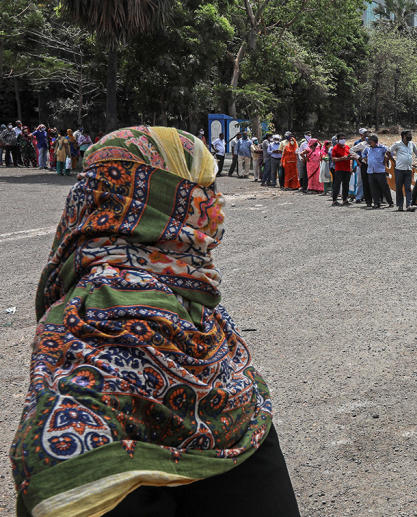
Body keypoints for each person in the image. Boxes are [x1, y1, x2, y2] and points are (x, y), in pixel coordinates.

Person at [9, 126, 299, 517]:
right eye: (205, 188)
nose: (218, 203)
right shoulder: (109, 307)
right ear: (163, 195)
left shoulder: (179, 281)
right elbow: (70, 466)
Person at [362, 133, 391, 209]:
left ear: (375, 141)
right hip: (370, 171)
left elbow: (390, 152)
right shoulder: (368, 148)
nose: (369, 143)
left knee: (384, 187)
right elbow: (363, 154)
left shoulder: (382, 148)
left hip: (380, 171)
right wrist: (365, 159)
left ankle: (390, 202)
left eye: (370, 141)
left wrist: (386, 159)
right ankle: (376, 203)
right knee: (373, 188)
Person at [391, 130, 417, 212]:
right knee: (399, 188)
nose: (410, 136)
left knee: (408, 188)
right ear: (403, 136)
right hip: (399, 170)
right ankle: (400, 206)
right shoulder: (397, 144)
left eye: (411, 135)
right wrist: (393, 161)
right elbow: (389, 151)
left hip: (408, 170)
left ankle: (409, 205)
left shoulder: (412, 144)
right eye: (409, 135)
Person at [330, 134, 353, 206]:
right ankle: (334, 200)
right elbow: (333, 159)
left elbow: (351, 156)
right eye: (341, 138)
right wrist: (342, 158)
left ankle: (345, 200)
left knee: (346, 185)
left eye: (344, 138)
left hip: (347, 169)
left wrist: (350, 158)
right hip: (339, 169)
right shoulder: (335, 148)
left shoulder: (347, 147)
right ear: (337, 140)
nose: (343, 140)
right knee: (337, 185)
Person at [352, 128, 371, 207]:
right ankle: (359, 197)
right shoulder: (358, 142)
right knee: (360, 182)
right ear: (361, 134)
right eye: (364, 133)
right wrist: (358, 161)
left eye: (367, 133)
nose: (366, 134)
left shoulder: (370, 141)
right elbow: (354, 153)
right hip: (360, 163)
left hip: (369, 164)